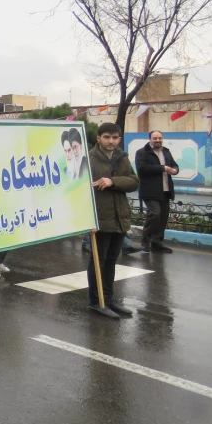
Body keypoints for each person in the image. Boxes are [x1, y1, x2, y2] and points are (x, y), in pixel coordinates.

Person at [88, 122, 140, 319]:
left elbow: (134, 181)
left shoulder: (121, 157)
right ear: (99, 138)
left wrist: (112, 181)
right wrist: (87, 219)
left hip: (119, 217)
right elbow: (80, 190)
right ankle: (96, 301)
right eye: (107, 137)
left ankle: (108, 299)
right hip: (99, 218)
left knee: (111, 261)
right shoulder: (90, 159)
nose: (111, 141)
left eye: (115, 137)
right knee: (97, 262)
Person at [135, 131, 178, 254]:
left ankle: (157, 242)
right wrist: (162, 168)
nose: (157, 140)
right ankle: (145, 240)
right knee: (155, 214)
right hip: (150, 190)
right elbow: (142, 168)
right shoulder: (142, 152)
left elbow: (174, 165)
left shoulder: (166, 152)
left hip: (165, 189)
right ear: (150, 139)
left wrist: (175, 170)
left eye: (159, 138)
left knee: (163, 217)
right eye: (155, 138)